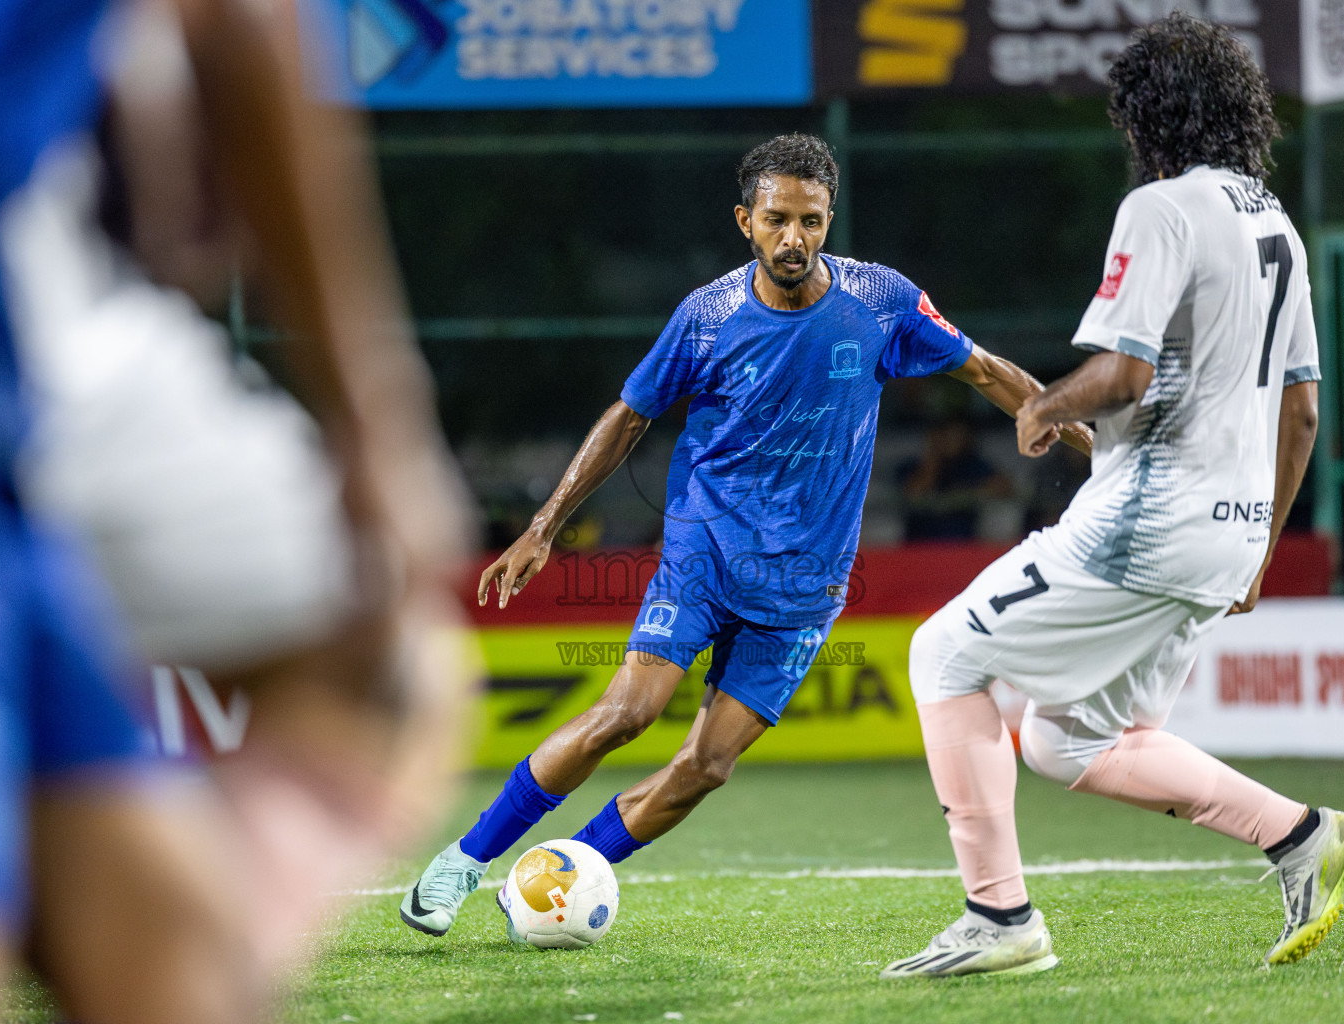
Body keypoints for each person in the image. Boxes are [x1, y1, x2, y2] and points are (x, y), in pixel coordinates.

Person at [399, 132, 1093, 938]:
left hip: (805, 588)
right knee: (626, 713)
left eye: (810, 220)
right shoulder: (707, 315)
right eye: (776, 220)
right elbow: (629, 415)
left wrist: (1094, 444)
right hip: (706, 558)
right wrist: (544, 525)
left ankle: (564, 871)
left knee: (706, 766)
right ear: (745, 221)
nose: (793, 238)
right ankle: (463, 862)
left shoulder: (882, 301)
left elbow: (986, 370)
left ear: (829, 217)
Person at [0, 1, 466, 1021]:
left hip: (17, 379)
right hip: (11, 353)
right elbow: (242, 22)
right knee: (382, 647)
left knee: (164, 920)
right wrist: (376, 432)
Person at [881, 14, 1344, 980]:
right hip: (1227, 538)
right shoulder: (1276, 223)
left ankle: (999, 917)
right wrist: (1261, 549)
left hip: (1145, 524)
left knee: (942, 652)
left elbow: (1125, 374)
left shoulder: (1162, 208)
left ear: (1146, 115)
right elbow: (1303, 410)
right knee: (1068, 740)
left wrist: (1044, 407)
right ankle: (1304, 837)